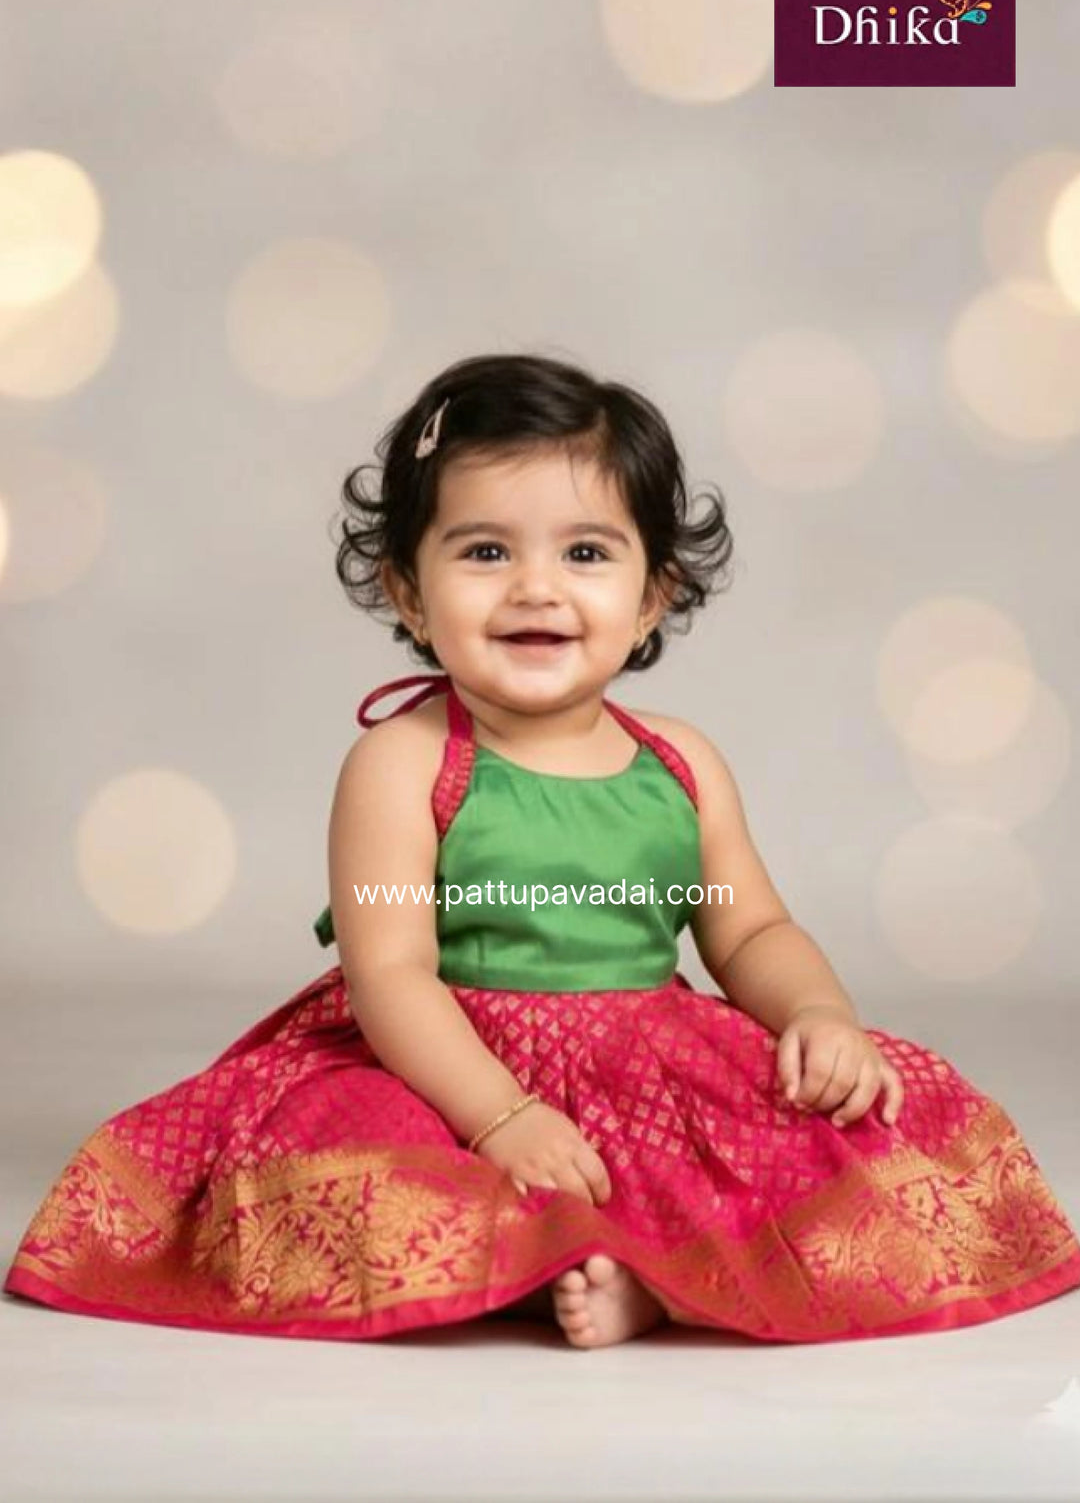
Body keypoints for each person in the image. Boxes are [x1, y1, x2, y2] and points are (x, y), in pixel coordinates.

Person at [6, 352, 1080, 1350]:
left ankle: (645, 1278)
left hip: (641, 1058)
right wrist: (501, 1115)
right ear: (409, 593)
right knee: (351, 1177)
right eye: (484, 551)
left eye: (584, 552)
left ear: (653, 591)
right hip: (441, 1059)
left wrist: (818, 1014)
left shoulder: (680, 765)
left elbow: (749, 925)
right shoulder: (402, 762)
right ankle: (563, 1256)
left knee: (839, 1135)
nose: (534, 586)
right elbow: (389, 973)